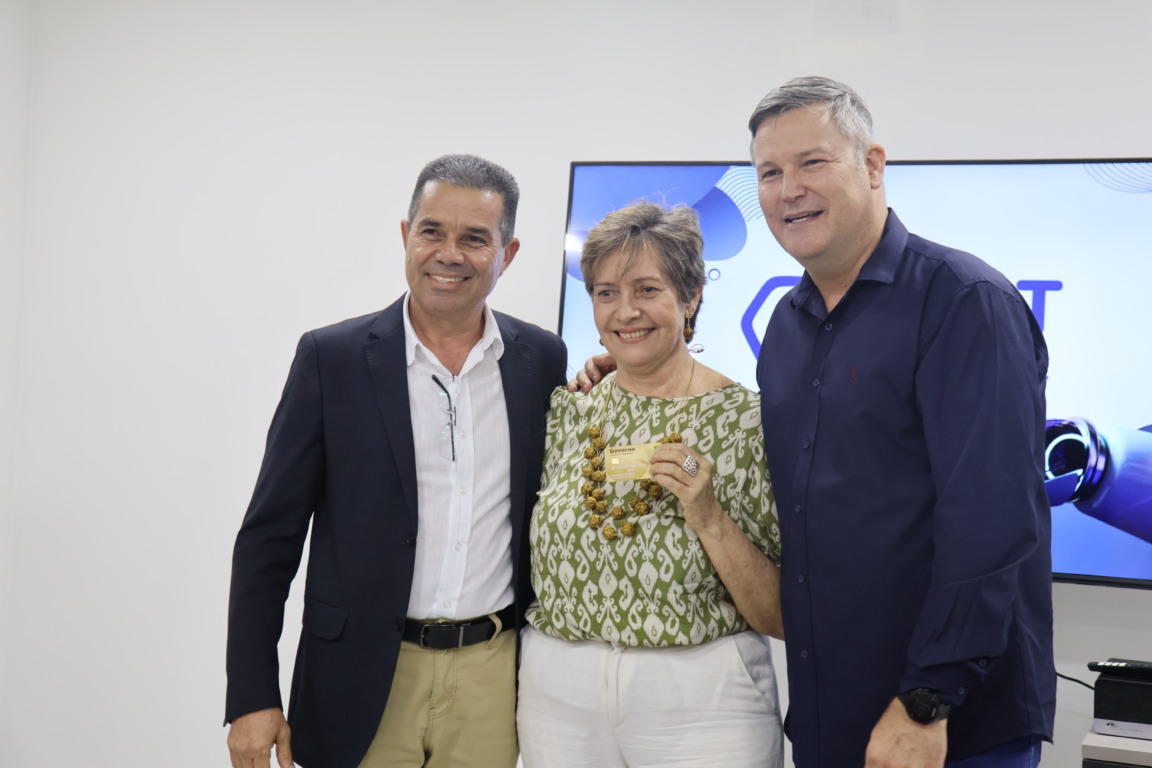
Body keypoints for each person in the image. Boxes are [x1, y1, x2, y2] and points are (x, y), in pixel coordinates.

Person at [576, 77, 1055, 768]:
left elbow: (992, 520)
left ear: (873, 164)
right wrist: (623, 370)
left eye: (813, 162)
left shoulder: (963, 303)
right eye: (770, 172)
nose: (788, 188)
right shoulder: (788, 327)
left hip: (947, 726)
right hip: (833, 714)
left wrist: (928, 698)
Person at [224, 154, 567, 768]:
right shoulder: (331, 359)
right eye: (433, 230)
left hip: (494, 676)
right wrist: (252, 694)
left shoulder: (541, 360)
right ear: (406, 236)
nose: (449, 253)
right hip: (358, 676)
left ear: (507, 254)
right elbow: (268, 539)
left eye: (474, 238)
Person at [519, 201, 785, 768]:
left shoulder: (748, 423)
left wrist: (708, 514)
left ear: (690, 297)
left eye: (647, 289)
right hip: (556, 695)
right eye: (606, 292)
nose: (625, 311)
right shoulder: (570, 410)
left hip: (700, 699)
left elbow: (782, 614)